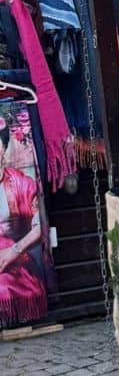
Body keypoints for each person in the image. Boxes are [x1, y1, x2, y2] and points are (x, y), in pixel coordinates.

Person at [0, 113, 49, 327]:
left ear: (3, 147)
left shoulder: (23, 182)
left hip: (15, 259)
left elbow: (40, 225)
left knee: (10, 284)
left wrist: (15, 250)